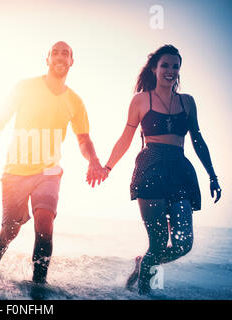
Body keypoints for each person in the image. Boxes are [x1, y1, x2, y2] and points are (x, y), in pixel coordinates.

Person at [0, 41, 104, 284]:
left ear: (72, 61)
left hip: (49, 172)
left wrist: (93, 160)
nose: (60, 56)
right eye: (55, 52)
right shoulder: (25, 87)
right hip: (15, 171)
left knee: (45, 225)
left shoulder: (75, 101)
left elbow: (83, 138)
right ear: (47, 59)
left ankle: (38, 286)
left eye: (66, 53)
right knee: (9, 231)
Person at [95, 45, 222, 294]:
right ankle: (144, 294)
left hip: (180, 169)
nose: (171, 71)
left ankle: (143, 263)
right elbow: (126, 138)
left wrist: (212, 175)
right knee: (158, 243)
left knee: (184, 244)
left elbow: (197, 139)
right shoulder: (141, 100)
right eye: (165, 65)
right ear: (154, 68)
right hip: (150, 168)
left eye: (176, 66)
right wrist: (107, 167)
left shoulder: (187, 102)